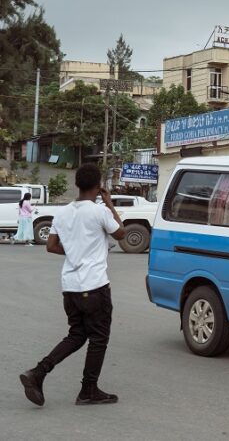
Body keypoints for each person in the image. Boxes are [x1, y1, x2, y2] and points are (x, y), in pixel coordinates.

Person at [20, 163, 127, 407]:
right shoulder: (99, 211)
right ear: (99, 186)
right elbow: (120, 234)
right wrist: (109, 204)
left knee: (77, 335)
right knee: (98, 338)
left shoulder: (64, 212)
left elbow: (51, 246)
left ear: (77, 184)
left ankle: (38, 372)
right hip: (95, 286)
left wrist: (75, 254)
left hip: (70, 286)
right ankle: (88, 390)